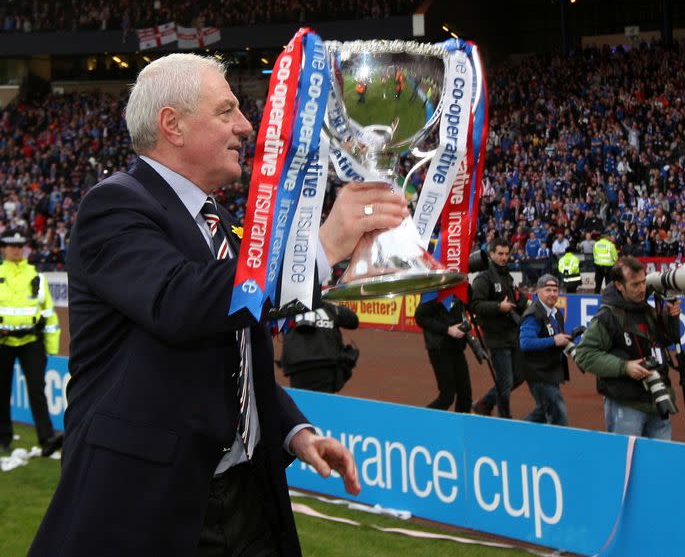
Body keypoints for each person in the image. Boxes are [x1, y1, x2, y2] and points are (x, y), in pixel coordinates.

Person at [30, 54, 407, 557]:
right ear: (173, 125)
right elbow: (182, 304)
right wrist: (321, 247)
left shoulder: (222, 219)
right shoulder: (113, 206)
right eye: (226, 110)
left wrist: (292, 431)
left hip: (248, 496)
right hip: (154, 504)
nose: (245, 126)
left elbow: (236, 355)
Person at [574, 257, 682, 439]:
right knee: (626, 463)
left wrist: (671, 318)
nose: (642, 289)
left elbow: (666, 340)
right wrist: (625, 367)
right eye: (635, 285)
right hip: (626, 404)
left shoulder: (647, 309)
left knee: (660, 463)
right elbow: (584, 354)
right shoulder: (607, 316)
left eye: (643, 282)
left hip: (658, 398)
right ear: (619, 285)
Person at [0, 231, 62, 456]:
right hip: (2, 340)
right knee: (1, 391)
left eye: (20, 245)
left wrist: (52, 348)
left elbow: (49, 314)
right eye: (11, 246)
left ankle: (47, 439)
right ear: (3, 249)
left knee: (37, 389)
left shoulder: (37, 276)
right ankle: (3, 439)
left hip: (31, 341)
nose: (16, 249)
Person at [470, 238, 528, 418]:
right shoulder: (483, 278)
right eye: (500, 254)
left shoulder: (506, 276)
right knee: (505, 380)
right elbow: (475, 305)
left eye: (506, 254)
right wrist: (497, 307)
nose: (504, 257)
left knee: (519, 375)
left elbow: (514, 301)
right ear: (491, 254)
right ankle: (504, 417)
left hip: (512, 333)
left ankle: (485, 403)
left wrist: (521, 300)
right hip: (496, 336)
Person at [519, 274, 570, 426]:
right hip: (538, 373)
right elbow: (526, 343)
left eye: (555, 290)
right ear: (538, 292)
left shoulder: (556, 314)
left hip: (551, 371)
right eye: (548, 290)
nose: (553, 294)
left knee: (542, 412)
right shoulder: (533, 315)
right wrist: (555, 340)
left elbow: (557, 338)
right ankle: (559, 446)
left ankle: (517, 433)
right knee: (559, 415)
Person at [278, 301, 360, 393]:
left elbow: (353, 321)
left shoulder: (288, 308)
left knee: (301, 403)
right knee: (322, 403)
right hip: (324, 364)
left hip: (298, 366)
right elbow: (353, 321)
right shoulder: (329, 308)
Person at [414, 296, 472, 413]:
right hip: (439, 348)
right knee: (447, 396)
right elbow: (420, 317)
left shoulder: (459, 287)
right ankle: (420, 423)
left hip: (457, 346)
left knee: (465, 395)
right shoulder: (434, 289)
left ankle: (460, 428)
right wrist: (447, 329)